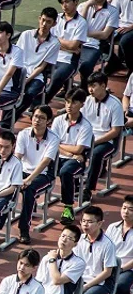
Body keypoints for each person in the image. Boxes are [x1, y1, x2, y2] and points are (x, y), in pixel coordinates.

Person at [75, 206, 117, 294]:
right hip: (82, 280)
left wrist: (87, 286)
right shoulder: (79, 240)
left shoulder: (107, 244)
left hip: (102, 284)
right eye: (83, 221)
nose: (85, 224)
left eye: (90, 222)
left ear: (100, 223)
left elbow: (107, 272)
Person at [15, 106, 59, 242]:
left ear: (48, 121)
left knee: (29, 189)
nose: (37, 120)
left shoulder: (53, 138)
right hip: (23, 171)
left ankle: (24, 230)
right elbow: (17, 157)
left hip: (43, 174)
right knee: (6, 185)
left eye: (42, 118)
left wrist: (29, 179)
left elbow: (45, 162)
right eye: (35, 116)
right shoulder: (23, 134)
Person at [53, 90, 94, 225]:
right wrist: (68, 153)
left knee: (66, 172)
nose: (69, 105)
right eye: (67, 102)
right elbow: (52, 143)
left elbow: (79, 149)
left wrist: (62, 146)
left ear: (82, 104)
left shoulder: (86, 126)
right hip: (62, 156)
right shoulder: (58, 120)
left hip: (77, 161)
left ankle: (68, 207)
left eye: (74, 102)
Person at [81, 72, 123, 201]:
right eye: (89, 86)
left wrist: (95, 142)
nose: (90, 89)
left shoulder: (115, 104)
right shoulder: (87, 101)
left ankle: (88, 189)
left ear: (103, 85)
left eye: (94, 86)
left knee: (96, 154)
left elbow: (115, 131)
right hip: (88, 137)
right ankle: (76, 185)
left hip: (107, 141)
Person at [15, 9, 60, 119]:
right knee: (10, 93)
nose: (44, 24)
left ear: (54, 24)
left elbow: (42, 67)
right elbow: (16, 58)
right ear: (39, 19)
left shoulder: (55, 43)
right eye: (43, 20)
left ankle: (9, 120)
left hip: (37, 75)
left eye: (48, 22)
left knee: (29, 94)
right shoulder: (26, 35)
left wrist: (27, 80)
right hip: (19, 71)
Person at [46, 0, 89, 104]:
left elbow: (74, 45)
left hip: (69, 61)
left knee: (57, 77)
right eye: (62, 2)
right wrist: (67, 47)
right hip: (50, 55)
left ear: (76, 2)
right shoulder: (56, 18)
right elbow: (47, 39)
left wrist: (56, 41)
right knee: (32, 72)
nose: (64, 5)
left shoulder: (81, 23)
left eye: (67, 2)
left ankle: (40, 103)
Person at [0, 131, 24, 252]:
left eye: (7, 147)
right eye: (0, 146)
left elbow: (13, 188)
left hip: (5, 196)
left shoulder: (17, 163)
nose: (2, 150)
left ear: (13, 146)